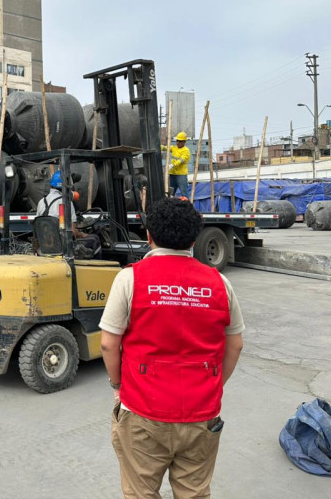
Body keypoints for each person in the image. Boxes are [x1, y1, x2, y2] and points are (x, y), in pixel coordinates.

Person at [99, 198, 244, 499]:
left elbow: (108, 343)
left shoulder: (130, 278)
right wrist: (213, 382)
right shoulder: (219, 283)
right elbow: (235, 345)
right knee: (194, 494)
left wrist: (117, 386)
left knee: (141, 493)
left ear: (149, 235)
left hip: (142, 411)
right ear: (194, 239)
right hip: (202, 414)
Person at [36, 170, 101, 257]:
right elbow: (73, 231)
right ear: (66, 185)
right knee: (95, 239)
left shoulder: (41, 202)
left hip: (46, 246)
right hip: (63, 247)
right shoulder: (65, 202)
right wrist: (82, 234)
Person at [166, 132, 191, 198]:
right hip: (172, 174)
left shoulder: (186, 151)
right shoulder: (174, 148)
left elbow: (181, 160)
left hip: (181, 175)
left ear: (184, 142)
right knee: (170, 194)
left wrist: (173, 165)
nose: (178, 143)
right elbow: (165, 148)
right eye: (177, 141)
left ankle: (186, 207)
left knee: (184, 194)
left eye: (180, 141)